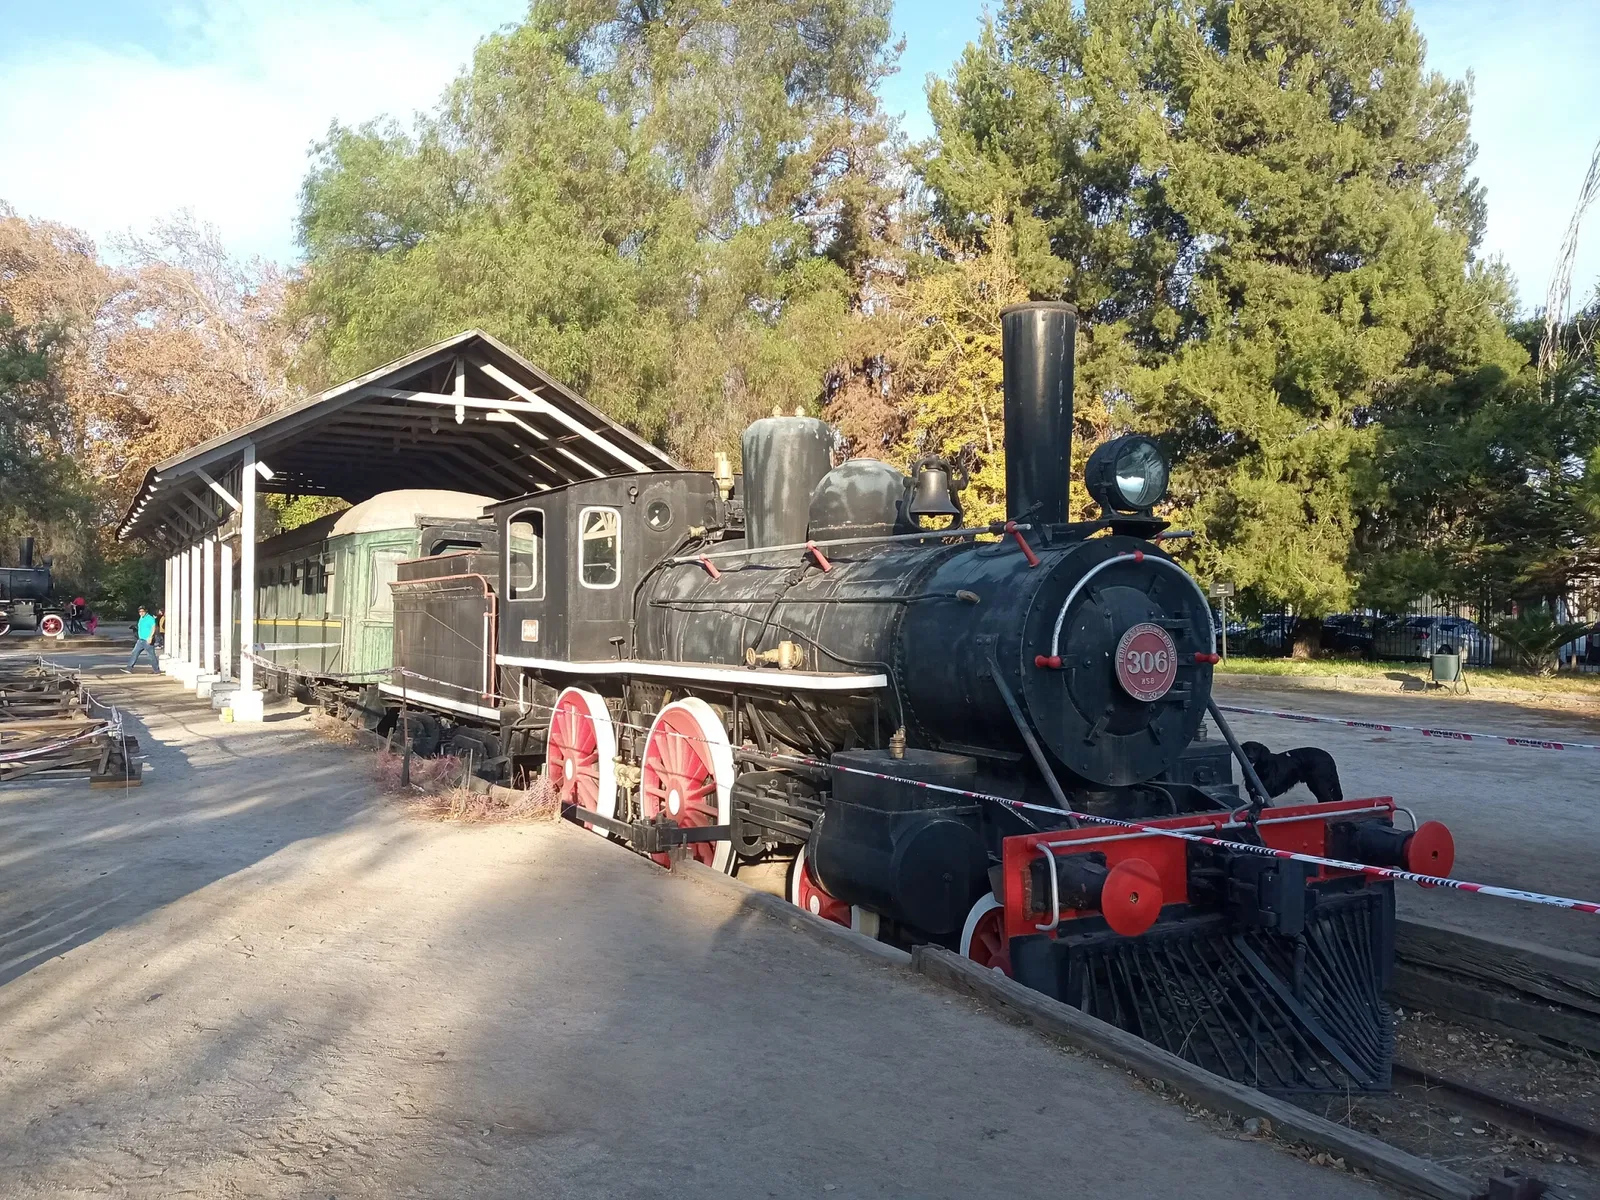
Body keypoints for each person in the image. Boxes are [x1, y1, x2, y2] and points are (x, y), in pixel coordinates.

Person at [126, 606, 160, 673]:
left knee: (151, 656)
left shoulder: (150, 618)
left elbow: (153, 627)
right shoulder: (141, 618)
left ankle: (156, 670)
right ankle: (129, 668)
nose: (141, 613)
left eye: (142, 611)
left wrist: (150, 637)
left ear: (146, 611)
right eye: (140, 612)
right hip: (140, 640)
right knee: (134, 653)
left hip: (147, 640)